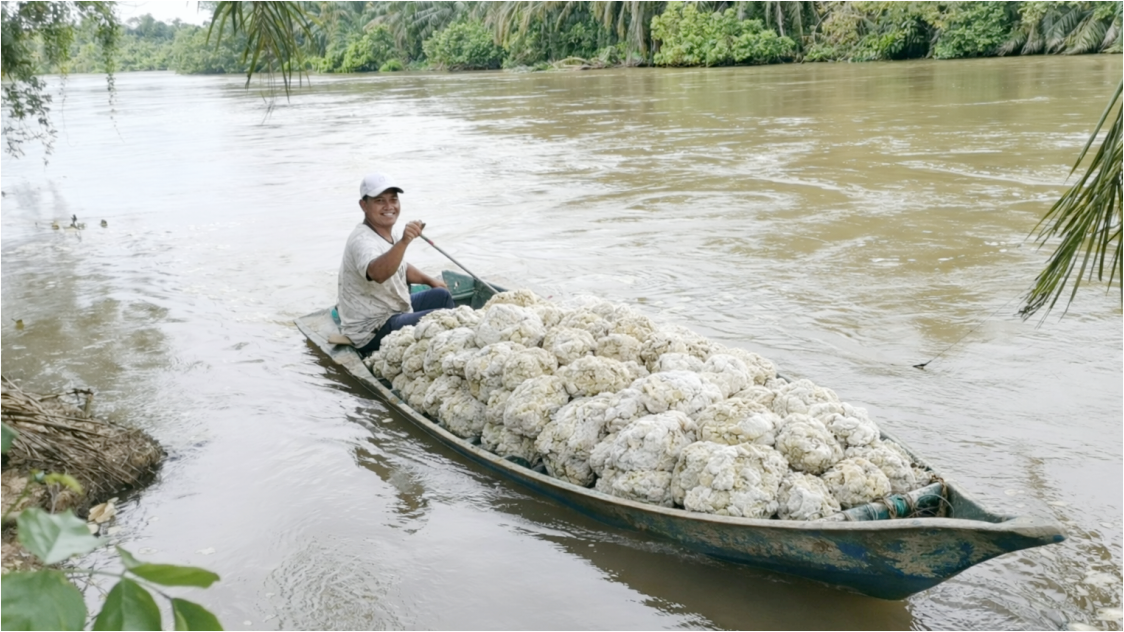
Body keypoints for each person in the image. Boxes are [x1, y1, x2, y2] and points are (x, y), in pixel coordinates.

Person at [338, 172, 455, 355]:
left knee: (441, 295)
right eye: (379, 201)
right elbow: (378, 273)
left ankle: (441, 346)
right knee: (445, 320)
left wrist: (430, 280)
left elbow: (400, 265)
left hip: (393, 309)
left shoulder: (387, 231)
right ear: (364, 205)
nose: (389, 206)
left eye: (393, 200)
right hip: (372, 329)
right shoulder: (362, 240)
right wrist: (404, 242)